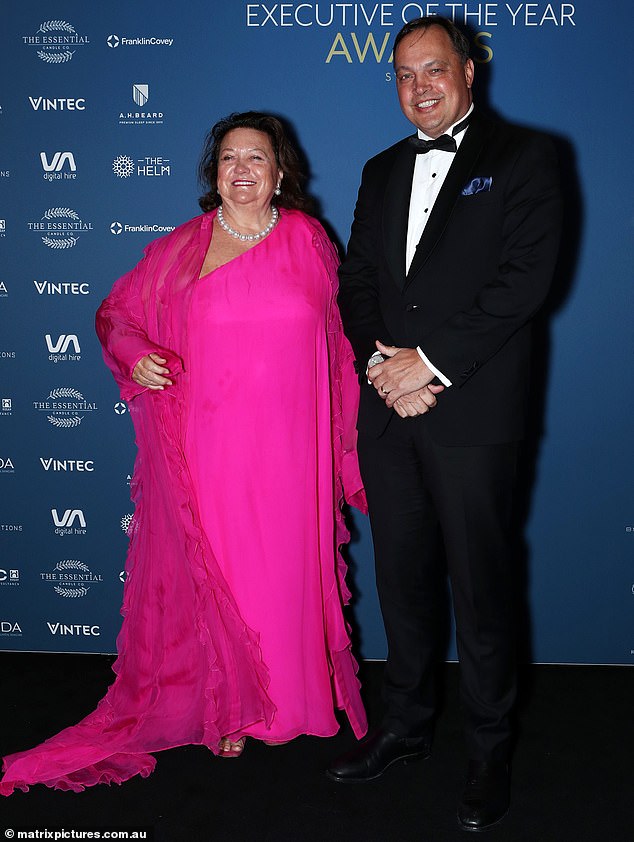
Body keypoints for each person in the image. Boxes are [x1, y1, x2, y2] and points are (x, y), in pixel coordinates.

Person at [0, 111, 367, 795]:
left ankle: (289, 704)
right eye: (229, 158)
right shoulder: (182, 248)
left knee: (285, 573)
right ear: (214, 173)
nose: (242, 170)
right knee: (223, 575)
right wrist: (135, 355)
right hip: (209, 444)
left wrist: (348, 440)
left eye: (256, 158)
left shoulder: (309, 239)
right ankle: (226, 707)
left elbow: (336, 344)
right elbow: (117, 314)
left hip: (293, 448)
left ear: (281, 172)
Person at [326, 17, 562, 832]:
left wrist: (428, 364)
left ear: (468, 70)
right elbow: (355, 282)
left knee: (481, 587)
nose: (418, 86)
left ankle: (490, 745)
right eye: (402, 74)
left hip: (472, 414)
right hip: (389, 413)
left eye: (433, 70)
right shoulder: (381, 168)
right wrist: (383, 368)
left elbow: (525, 281)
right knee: (403, 582)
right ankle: (406, 724)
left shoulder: (528, 156)